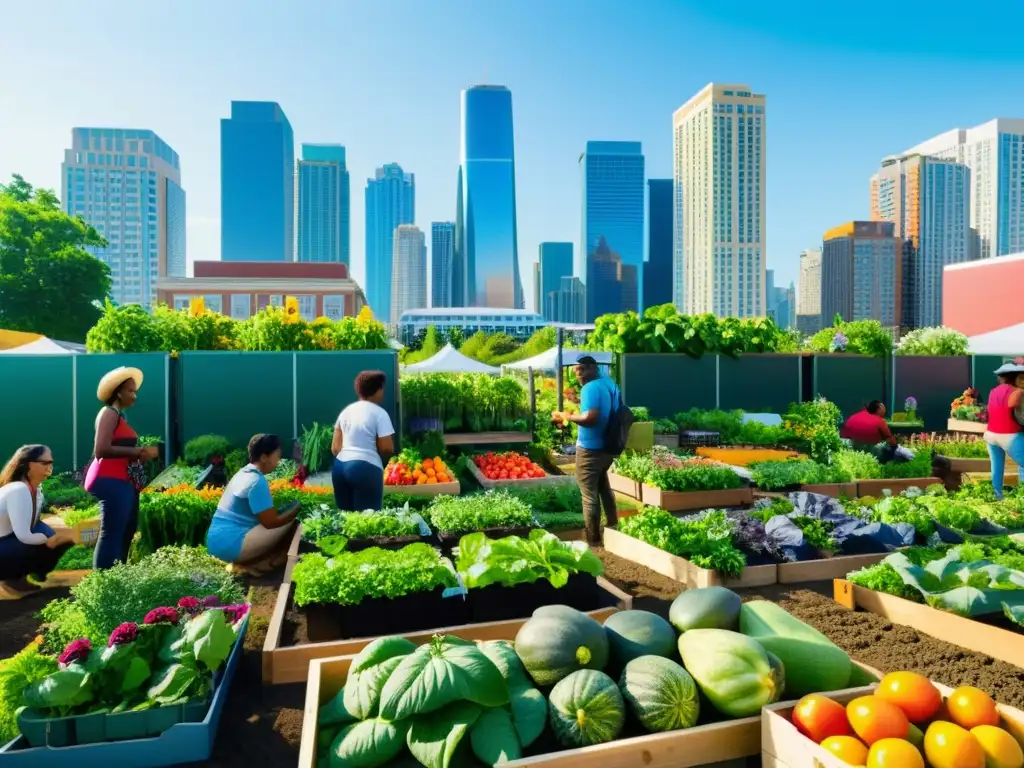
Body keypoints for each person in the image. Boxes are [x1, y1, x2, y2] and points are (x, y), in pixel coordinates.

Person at [85, 367, 159, 569]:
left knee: (125, 530)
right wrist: (138, 451)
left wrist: (139, 455)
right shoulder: (108, 413)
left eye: (135, 391)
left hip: (121, 479)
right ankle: (104, 584)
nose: (134, 396)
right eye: (130, 391)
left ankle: (118, 575)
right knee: (112, 533)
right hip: (111, 479)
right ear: (118, 392)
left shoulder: (119, 416)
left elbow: (120, 449)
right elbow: (101, 449)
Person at [206, 433, 299, 575]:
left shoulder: (243, 473)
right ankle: (261, 563)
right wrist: (296, 509)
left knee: (284, 516)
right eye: (277, 456)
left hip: (215, 542)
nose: (279, 461)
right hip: (231, 544)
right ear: (264, 457)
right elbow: (271, 523)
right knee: (293, 522)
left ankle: (248, 563)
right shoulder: (257, 481)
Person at [552, 356, 619, 546]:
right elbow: (603, 406)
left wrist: (568, 416)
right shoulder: (609, 384)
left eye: (580, 370)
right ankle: (613, 527)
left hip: (590, 449)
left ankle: (593, 539)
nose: (578, 376)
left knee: (588, 494)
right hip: (607, 447)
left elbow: (591, 418)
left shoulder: (590, 387)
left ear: (591, 368)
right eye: (576, 372)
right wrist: (578, 400)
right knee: (603, 488)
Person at [0, 445, 75, 598]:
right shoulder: (18, 490)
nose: (50, 468)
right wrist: (50, 538)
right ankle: (10, 577)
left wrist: (57, 535)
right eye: (44, 463)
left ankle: (18, 577)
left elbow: (34, 523)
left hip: (7, 543)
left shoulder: (36, 490)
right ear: (27, 464)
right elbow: (24, 535)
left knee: (61, 539)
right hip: (4, 545)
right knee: (54, 540)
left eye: (51, 463)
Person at [330, 371, 395, 511]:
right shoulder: (380, 413)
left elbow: (335, 448)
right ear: (377, 390)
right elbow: (387, 448)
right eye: (382, 389)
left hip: (340, 468)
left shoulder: (346, 411)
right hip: (365, 468)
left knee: (345, 519)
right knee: (368, 521)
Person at [984, 362, 1024, 499]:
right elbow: (1019, 413)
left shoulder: (993, 391)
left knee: (997, 468)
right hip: (1010, 434)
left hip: (990, 435)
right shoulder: (1018, 392)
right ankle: (1022, 497)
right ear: (1015, 377)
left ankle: (997, 496)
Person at [840, 401, 913, 464]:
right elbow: (891, 442)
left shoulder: (853, 417)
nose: (884, 411)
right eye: (883, 409)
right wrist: (896, 446)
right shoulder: (879, 420)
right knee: (894, 451)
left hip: (852, 448)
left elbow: (843, 435)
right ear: (878, 409)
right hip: (871, 451)